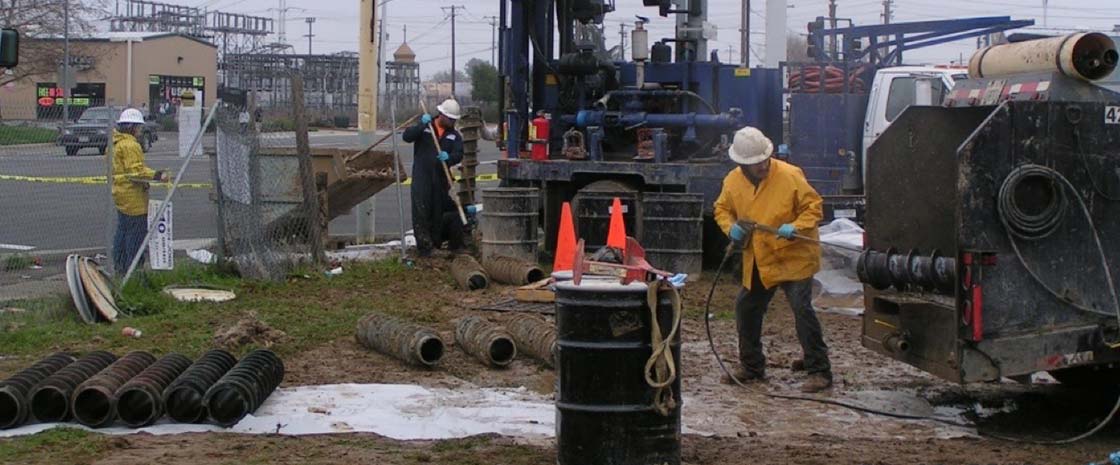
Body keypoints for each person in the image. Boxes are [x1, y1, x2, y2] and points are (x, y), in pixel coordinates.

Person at [713, 126, 833, 393]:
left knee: (802, 309)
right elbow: (721, 208)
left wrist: (797, 226)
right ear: (743, 164)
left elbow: (814, 206)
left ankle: (819, 370)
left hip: (793, 256)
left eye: (765, 159)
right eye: (757, 163)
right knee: (746, 308)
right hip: (760, 258)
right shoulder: (733, 181)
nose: (763, 165)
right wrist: (729, 227)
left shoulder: (790, 175)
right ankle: (752, 367)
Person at [402, 99, 467, 257]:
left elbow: (459, 153)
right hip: (422, 176)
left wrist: (449, 158)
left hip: (440, 179)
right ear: (442, 115)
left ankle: (435, 245)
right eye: (450, 119)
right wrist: (421, 126)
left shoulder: (454, 135)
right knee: (421, 212)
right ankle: (424, 247)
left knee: (437, 212)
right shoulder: (426, 127)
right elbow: (407, 136)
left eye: (454, 120)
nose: (452, 122)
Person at [111, 108, 168, 274]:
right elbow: (135, 172)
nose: (140, 131)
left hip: (120, 193)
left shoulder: (115, 143)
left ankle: (120, 268)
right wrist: (157, 175)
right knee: (135, 236)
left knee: (122, 232)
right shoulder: (130, 145)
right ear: (132, 127)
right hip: (133, 197)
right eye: (139, 127)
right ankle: (133, 271)